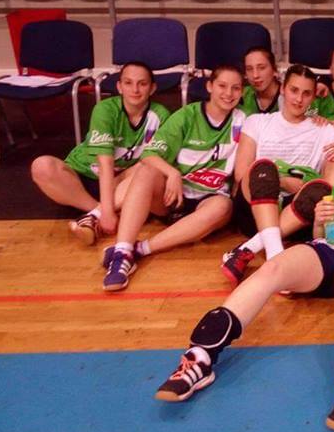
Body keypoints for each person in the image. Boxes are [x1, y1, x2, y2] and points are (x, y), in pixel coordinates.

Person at [154, 130, 334, 432]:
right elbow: (325, 237)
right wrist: (321, 222)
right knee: (274, 266)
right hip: (330, 254)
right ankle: (200, 356)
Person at [100, 65, 245, 291]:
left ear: (242, 92)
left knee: (223, 207)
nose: (228, 93)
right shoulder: (186, 116)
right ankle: (122, 250)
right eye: (222, 86)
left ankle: (138, 250)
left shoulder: (245, 120)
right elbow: (149, 154)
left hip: (210, 199)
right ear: (209, 86)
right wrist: (172, 173)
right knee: (146, 170)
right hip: (174, 196)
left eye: (235, 88)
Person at [221, 65, 334, 285]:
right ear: (282, 89)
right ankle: (276, 258)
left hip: (299, 212)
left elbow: (332, 180)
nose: (299, 99)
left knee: (321, 188)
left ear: (313, 97)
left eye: (306, 93)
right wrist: (281, 182)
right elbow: (242, 174)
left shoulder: (324, 129)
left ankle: (248, 249)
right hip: (255, 205)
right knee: (264, 168)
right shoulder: (257, 122)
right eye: (294, 90)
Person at [30, 62, 169, 246]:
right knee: (41, 166)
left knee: (150, 166)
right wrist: (108, 213)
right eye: (128, 83)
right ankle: (98, 210)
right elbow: (105, 164)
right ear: (119, 87)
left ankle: (91, 218)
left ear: (152, 88)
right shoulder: (105, 110)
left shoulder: (161, 115)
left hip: (122, 181)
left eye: (142, 84)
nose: (135, 89)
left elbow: (156, 159)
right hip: (84, 177)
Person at [238, 46, 280, 115]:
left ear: (274, 69)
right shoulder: (241, 95)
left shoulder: (289, 95)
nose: (255, 75)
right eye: (249, 69)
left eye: (261, 68)